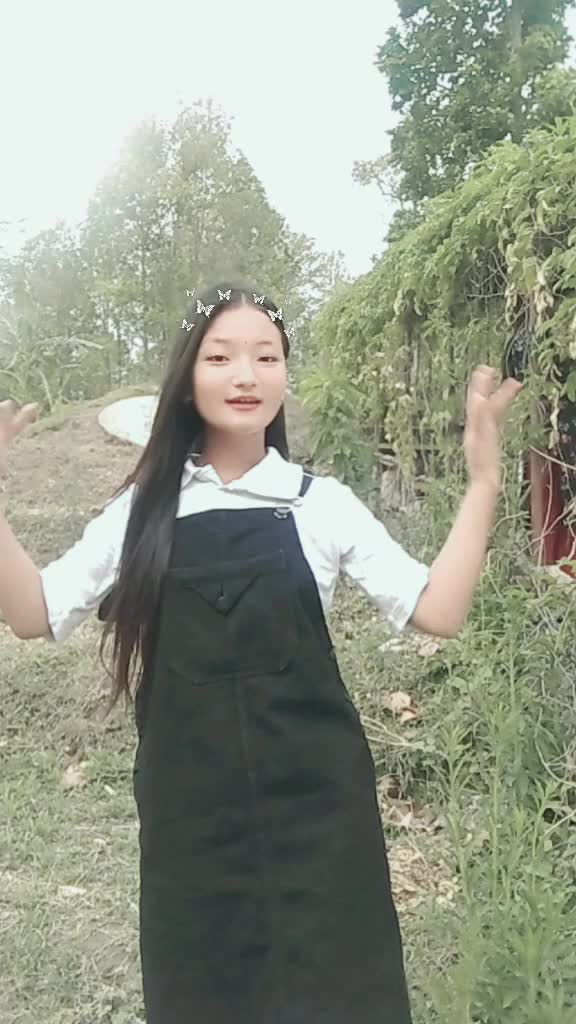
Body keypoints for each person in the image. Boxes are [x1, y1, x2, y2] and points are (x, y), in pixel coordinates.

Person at [0, 282, 522, 1023]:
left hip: (321, 823)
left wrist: (484, 480)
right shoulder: (141, 512)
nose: (245, 375)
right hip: (192, 830)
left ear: (283, 375)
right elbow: (33, 614)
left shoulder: (320, 503)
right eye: (221, 357)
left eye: (266, 357)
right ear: (187, 378)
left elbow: (438, 609)